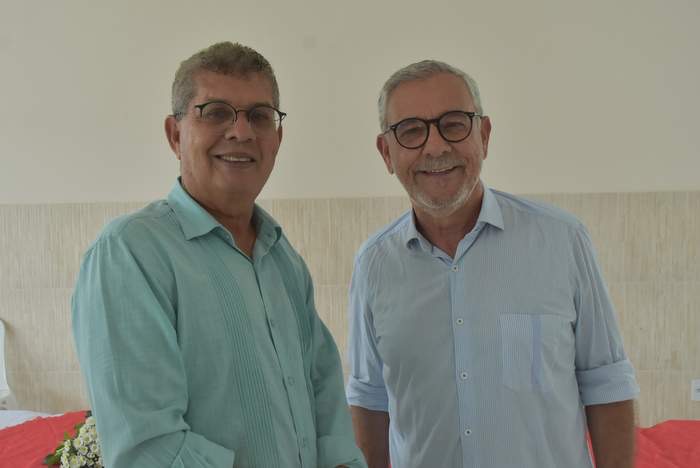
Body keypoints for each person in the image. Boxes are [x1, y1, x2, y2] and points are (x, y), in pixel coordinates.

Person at [72, 42, 365, 468]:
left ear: (277, 139)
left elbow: (325, 403)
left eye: (259, 116)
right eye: (215, 113)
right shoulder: (130, 254)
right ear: (175, 135)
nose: (241, 132)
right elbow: (149, 447)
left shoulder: (283, 259)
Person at [346, 60, 639, 468]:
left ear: (483, 136)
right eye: (411, 131)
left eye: (453, 124)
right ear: (386, 152)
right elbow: (369, 400)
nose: (435, 147)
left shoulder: (561, 241)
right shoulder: (374, 265)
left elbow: (607, 383)